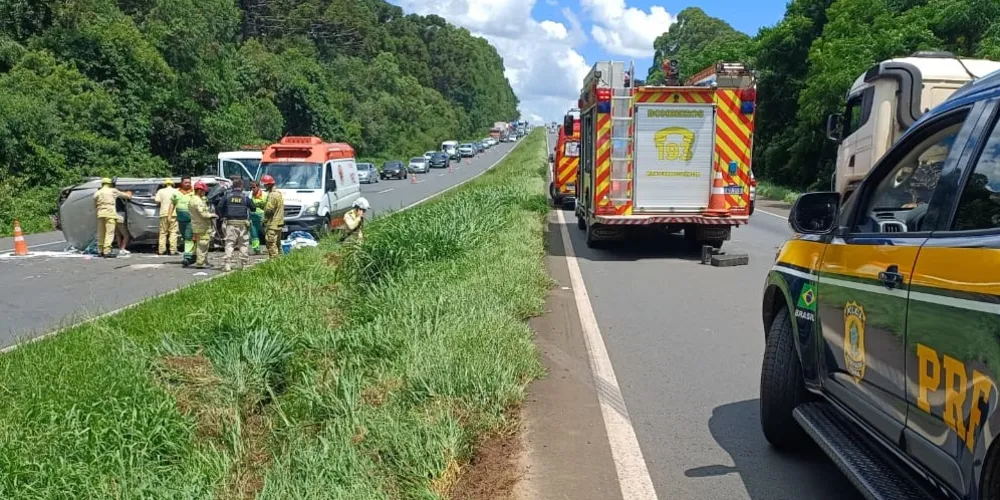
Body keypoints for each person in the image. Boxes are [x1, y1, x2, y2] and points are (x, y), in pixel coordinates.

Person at [217, 178, 255, 272]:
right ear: (241, 186)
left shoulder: (227, 196)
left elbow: (219, 207)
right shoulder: (245, 197)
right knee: (243, 244)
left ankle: (227, 265)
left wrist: (222, 217)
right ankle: (244, 265)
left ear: (232, 186)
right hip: (243, 224)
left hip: (230, 223)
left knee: (229, 244)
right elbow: (253, 208)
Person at [93, 177, 132, 258]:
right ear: (109, 184)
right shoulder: (113, 191)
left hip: (100, 214)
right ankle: (107, 251)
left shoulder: (97, 193)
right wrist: (129, 193)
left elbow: (95, 204)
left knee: (101, 233)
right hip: (110, 214)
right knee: (109, 233)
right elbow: (126, 196)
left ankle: (100, 251)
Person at [187, 181, 217, 269]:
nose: (204, 193)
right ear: (199, 190)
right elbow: (203, 214)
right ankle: (200, 263)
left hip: (197, 225)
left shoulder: (192, 199)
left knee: (202, 244)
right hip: (202, 226)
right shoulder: (198, 201)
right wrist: (212, 215)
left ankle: (204, 261)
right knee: (203, 245)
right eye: (203, 191)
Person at [172, 177, 195, 265]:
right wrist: (170, 215)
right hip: (181, 220)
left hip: (191, 219)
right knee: (185, 237)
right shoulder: (176, 193)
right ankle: (193, 255)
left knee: (188, 237)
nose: (188, 184)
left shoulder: (194, 193)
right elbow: (172, 204)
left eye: (189, 182)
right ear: (182, 183)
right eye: (186, 182)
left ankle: (187, 257)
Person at [261, 174, 284, 258]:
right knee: (278, 245)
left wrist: (264, 220)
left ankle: (274, 263)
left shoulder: (272, 195)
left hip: (272, 224)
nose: (264, 186)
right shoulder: (278, 193)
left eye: (265, 184)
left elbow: (269, 210)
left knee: (271, 245)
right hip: (279, 223)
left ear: (269, 184)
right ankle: (281, 262)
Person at [154, 178, 178, 255]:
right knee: (173, 232)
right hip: (174, 214)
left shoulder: (160, 191)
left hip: (163, 213)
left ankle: (161, 250)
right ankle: (173, 250)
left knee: (163, 232)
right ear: (172, 184)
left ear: (164, 184)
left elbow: (157, 200)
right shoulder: (176, 191)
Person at [249, 180, 267, 254]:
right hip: (253, 217)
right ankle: (256, 249)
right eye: (251, 188)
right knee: (254, 234)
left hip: (263, 216)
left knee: (266, 232)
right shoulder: (250, 195)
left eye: (254, 187)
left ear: (258, 187)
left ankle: (269, 248)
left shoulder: (265, 195)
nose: (252, 189)